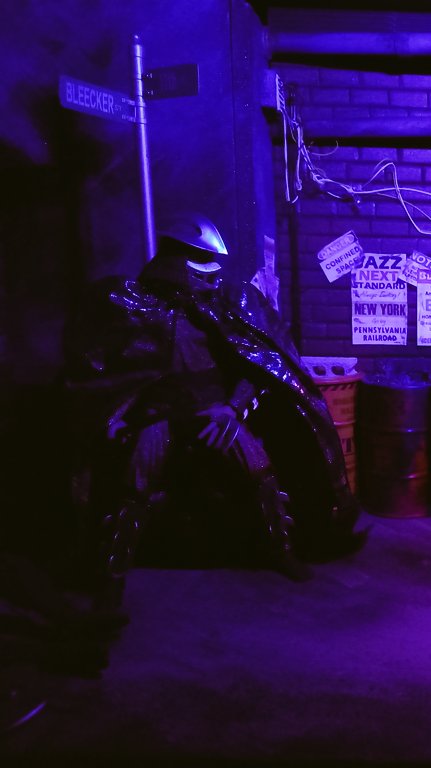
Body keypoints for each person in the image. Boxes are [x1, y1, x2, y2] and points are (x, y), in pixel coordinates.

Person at [69, 214, 358, 606]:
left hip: (214, 415)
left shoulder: (224, 308)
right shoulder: (137, 308)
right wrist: (117, 414)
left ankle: (281, 549)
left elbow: (258, 366)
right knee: (135, 484)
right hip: (160, 417)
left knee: (260, 473)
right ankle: (113, 572)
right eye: (201, 274)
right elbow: (118, 374)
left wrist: (231, 409)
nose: (211, 282)